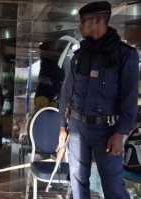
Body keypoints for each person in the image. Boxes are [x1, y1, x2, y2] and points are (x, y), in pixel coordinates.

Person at [59, 1, 139, 199]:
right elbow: (66, 93)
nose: (80, 26)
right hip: (77, 127)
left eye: (83, 22)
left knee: (113, 186)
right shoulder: (79, 56)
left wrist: (120, 133)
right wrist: (62, 126)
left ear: (97, 21)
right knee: (77, 181)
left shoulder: (124, 55)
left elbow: (129, 99)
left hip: (107, 131)